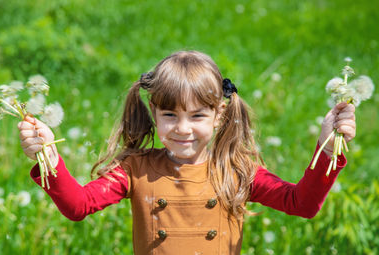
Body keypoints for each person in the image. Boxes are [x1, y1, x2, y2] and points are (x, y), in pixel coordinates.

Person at [18, 50, 356, 255]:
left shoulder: (237, 170)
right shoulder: (135, 169)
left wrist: (328, 148)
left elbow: (303, 203)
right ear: (154, 112)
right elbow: (79, 206)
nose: (183, 129)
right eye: (170, 116)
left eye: (197, 116)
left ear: (219, 115)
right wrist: (47, 157)